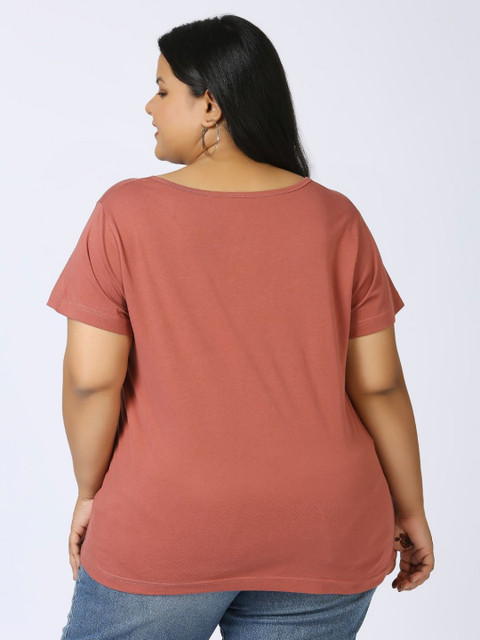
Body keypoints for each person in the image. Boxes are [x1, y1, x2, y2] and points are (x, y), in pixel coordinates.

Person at [46, 13, 434, 640]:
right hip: (327, 530)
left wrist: (92, 492)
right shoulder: (336, 218)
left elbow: (92, 381)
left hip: (166, 527)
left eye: (163, 89)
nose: (149, 106)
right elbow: (380, 385)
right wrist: (410, 507)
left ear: (211, 105)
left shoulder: (125, 212)